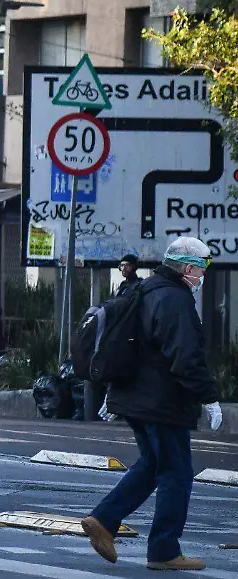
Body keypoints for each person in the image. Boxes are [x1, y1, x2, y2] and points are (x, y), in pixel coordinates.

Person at [81, 236, 224, 572]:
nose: (202, 277)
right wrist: (209, 397)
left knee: (151, 465)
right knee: (176, 472)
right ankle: (163, 550)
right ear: (188, 268)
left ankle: (103, 519)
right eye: (202, 269)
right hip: (162, 402)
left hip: (136, 397)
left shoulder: (146, 289)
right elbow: (184, 356)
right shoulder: (174, 299)